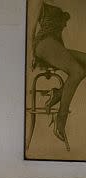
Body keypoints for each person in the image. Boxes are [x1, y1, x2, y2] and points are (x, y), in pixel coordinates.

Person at [31, 1, 86, 143]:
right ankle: (61, 120)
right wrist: (31, 56)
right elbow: (29, 30)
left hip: (54, 45)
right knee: (78, 72)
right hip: (43, 43)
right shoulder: (38, 2)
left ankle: (57, 94)